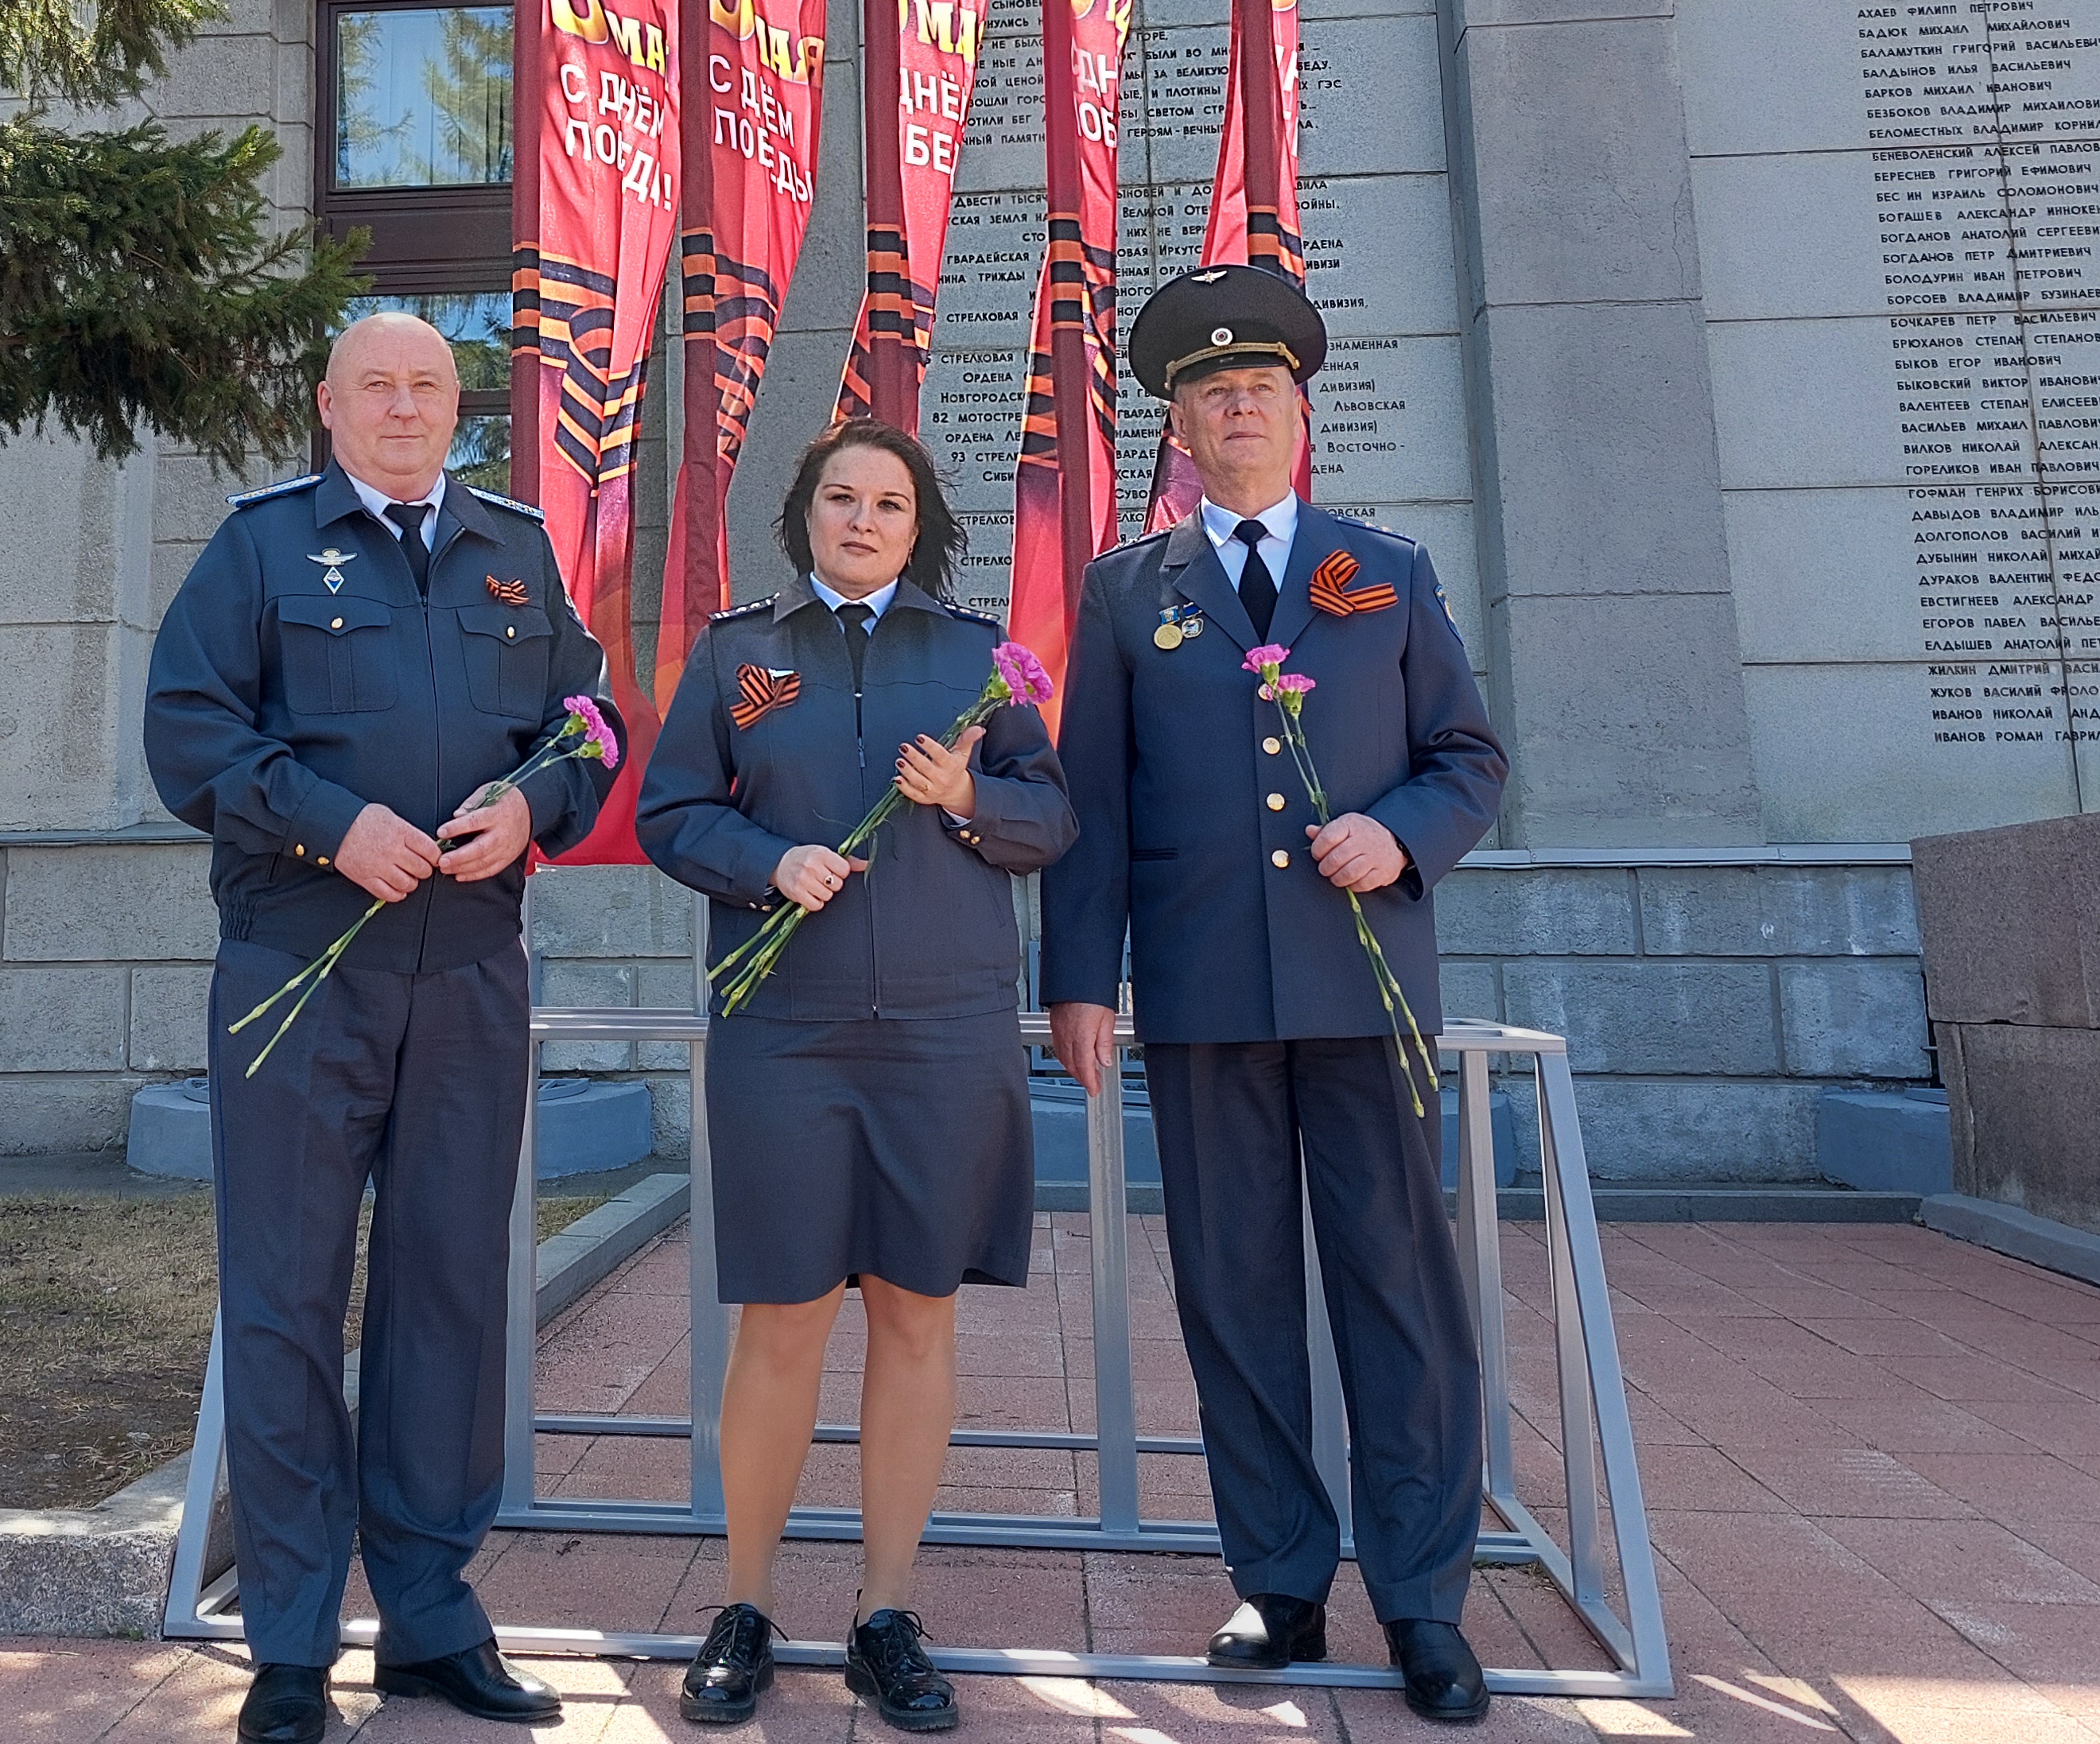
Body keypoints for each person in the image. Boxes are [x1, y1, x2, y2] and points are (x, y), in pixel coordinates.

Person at [142, 311, 623, 1744]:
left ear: (454, 405)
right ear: (329, 406)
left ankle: (426, 1620)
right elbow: (188, 730)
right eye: (376, 388)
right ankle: (291, 1642)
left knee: (451, 1291)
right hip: (302, 966)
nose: (403, 408)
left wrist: (537, 803)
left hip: (469, 972)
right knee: (289, 1296)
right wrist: (331, 824)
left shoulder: (519, 550)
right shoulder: (260, 549)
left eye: (426, 386)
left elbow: (589, 721)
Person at [1041, 266, 1508, 1728]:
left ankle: (1424, 1599)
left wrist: (1401, 836)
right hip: (1201, 996)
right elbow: (1092, 808)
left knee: (1397, 1288)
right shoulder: (1128, 592)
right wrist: (1079, 981)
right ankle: (1281, 1577)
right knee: (1234, 1292)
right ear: (1178, 429)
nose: (1237, 407)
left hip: (1366, 990)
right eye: (1208, 391)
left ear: (1299, 413)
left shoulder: (1387, 573)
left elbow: (1470, 759)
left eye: (1261, 388)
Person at [637, 419, 1077, 1734]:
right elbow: (668, 812)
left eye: (891, 502)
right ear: (806, 515)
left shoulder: (980, 658)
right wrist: (765, 862)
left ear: (918, 523)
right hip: (786, 1030)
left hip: (944, 1032)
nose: (865, 518)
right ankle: (747, 1605)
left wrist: (962, 799)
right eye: (842, 497)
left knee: (914, 1311)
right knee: (780, 1316)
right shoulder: (738, 651)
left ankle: (886, 1612)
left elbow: (1049, 817)